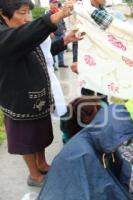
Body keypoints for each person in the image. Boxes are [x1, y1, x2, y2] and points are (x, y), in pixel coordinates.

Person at [0, 0, 81, 187]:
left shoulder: (21, 32)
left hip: (38, 96)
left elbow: (44, 52)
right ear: (3, 14)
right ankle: (34, 175)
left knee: (40, 135)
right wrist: (58, 15)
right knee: (26, 140)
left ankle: (42, 164)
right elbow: (27, 35)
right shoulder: (5, 36)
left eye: (29, 13)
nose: (27, 18)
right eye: (22, 13)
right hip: (19, 101)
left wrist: (65, 40)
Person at [48, 0, 68, 68]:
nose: (55, 4)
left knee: (61, 49)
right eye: (53, 3)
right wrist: (50, 32)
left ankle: (61, 63)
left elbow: (62, 21)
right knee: (52, 49)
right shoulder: (48, 13)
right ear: (50, 4)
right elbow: (47, 24)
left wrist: (64, 28)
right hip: (54, 35)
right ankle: (53, 65)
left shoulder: (59, 12)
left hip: (61, 33)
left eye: (56, 3)